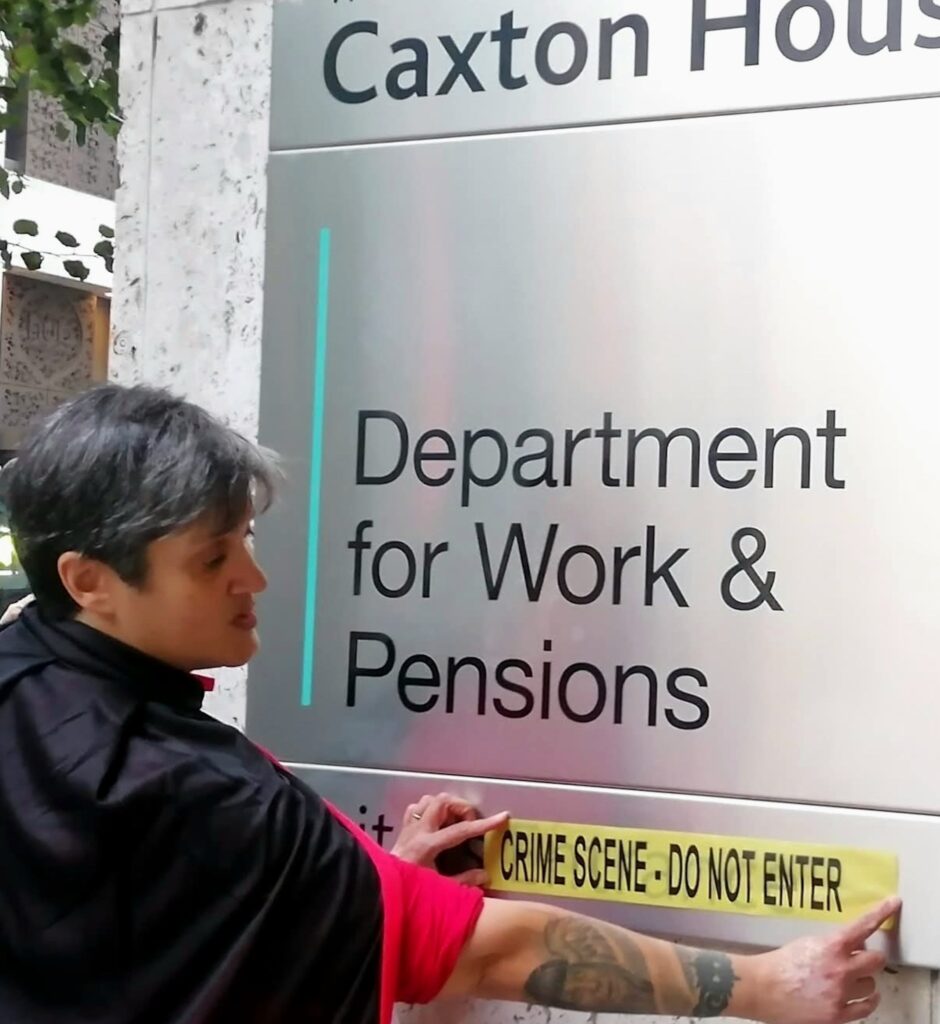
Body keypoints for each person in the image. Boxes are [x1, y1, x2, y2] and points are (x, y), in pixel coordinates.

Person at [0, 384, 898, 1024]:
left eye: (246, 539)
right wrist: (761, 988)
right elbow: (488, 949)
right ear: (89, 580)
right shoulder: (210, 795)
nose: (256, 578)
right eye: (211, 559)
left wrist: (353, 887)